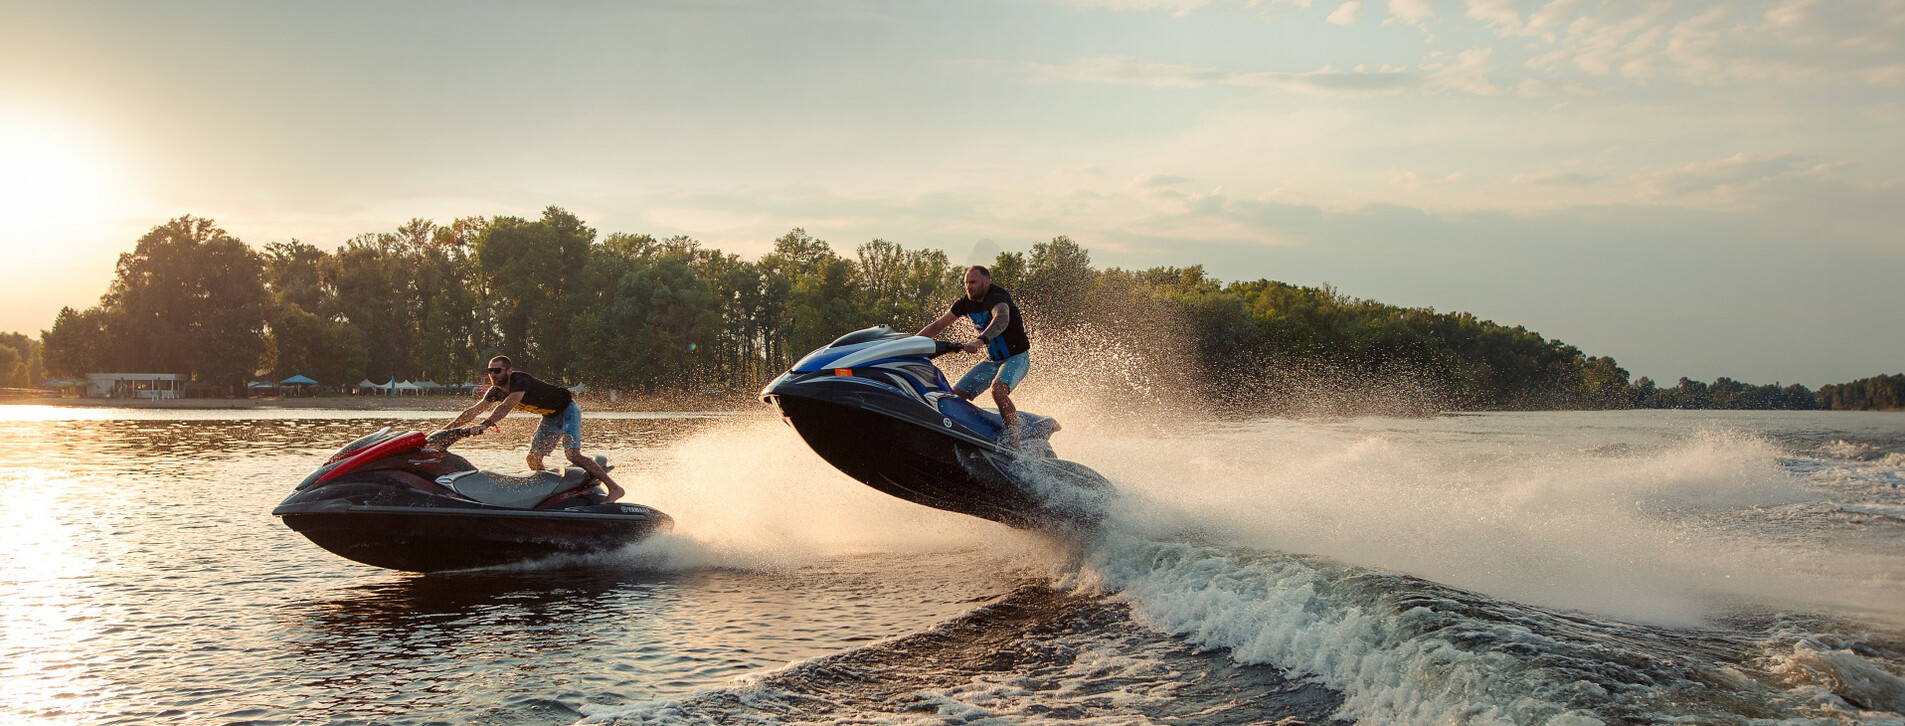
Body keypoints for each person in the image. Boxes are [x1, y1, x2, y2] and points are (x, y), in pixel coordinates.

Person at [447, 355, 627, 502]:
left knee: (572, 454)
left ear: (509, 371)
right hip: (549, 416)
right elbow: (473, 411)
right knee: (533, 459)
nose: (493, 374)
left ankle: (615, 488)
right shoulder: (495, 391)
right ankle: (552, 496)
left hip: (567, 409)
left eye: (497, 370)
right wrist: (444, 431)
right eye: (490, 371)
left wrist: (485, 425)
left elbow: (505, 407)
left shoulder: (519, 381)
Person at [917, 265, 1033, 450]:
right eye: (966, 283)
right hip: (992, 361)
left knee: (998, 390)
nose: (968, 287)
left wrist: (980, 340)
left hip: (1016, 357)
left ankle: (1015, 444)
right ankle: (964, 435)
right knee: (955, 397)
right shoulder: (965, 303)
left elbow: (1002, 318)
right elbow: (937, 326)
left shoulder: (998, 297)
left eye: (973, 282)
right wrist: (910, 345)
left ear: (986, 282)